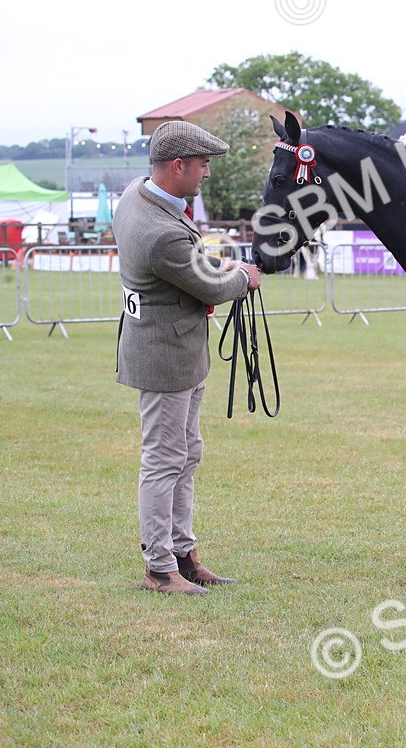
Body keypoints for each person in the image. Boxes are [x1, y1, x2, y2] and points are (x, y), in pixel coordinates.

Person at [113, 120, 262, 596]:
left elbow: (193, 267)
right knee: (163, 459)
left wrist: (226, 267)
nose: (207, 174)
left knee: (184, 453)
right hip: (166, 357)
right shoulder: (161, 231)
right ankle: (160, 568)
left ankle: (181, 553)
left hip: (175, 349)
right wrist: (242, 278)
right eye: (203, 165)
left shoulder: (138, 195)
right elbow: (208, 283)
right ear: (177, 166)